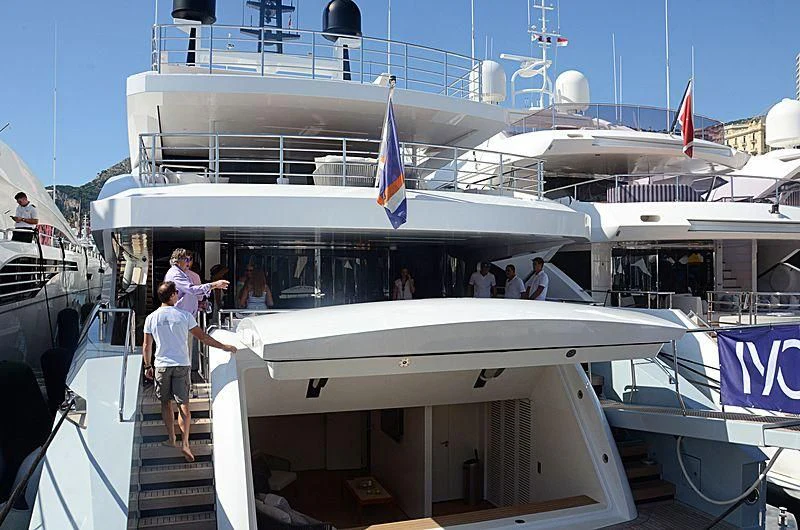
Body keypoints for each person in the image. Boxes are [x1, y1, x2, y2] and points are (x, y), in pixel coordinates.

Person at [143, 281, 238, 462]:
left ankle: (172, 439)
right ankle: (185, 443)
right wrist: (224, 346)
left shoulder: (151, 318)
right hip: (181, 364)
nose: (178, 295)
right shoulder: (184, 316)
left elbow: (147, 345)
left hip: (162, 365)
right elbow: (202, 337)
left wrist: (148, 366)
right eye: (176, 292)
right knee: (183, 405)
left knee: (165, 404)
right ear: (171, 296)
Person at [163, 248, 229, 316]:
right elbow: (192, 289)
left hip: (184, 315)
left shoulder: (181, 273)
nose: (188, 263)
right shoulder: (176, 274)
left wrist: (198, 304)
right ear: (177, 261)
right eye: (186, 260)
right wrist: (215, 285)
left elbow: (187, 295)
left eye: (190, 259)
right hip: (179, 316)